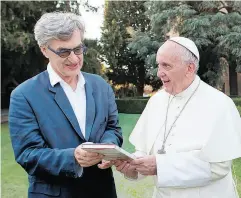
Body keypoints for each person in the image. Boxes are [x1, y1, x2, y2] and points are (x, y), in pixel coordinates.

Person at [9, 12, 122, 198]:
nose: (75, 59)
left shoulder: (101, 86)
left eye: (78, 49)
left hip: (102, 191)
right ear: (44, 50)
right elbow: (28, 154)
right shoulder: (24, 95)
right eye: (64, 52)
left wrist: (107, 147)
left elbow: (113, 129)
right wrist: (73, 158)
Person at [114, 37, 241, 198]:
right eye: (158, 65)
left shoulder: (219, 104)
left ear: (189, 68)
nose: (159, 73)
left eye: (166, 65)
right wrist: (132, 166)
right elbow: (144, 152)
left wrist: (160, 166)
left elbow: (218, 167)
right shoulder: (156, 101)